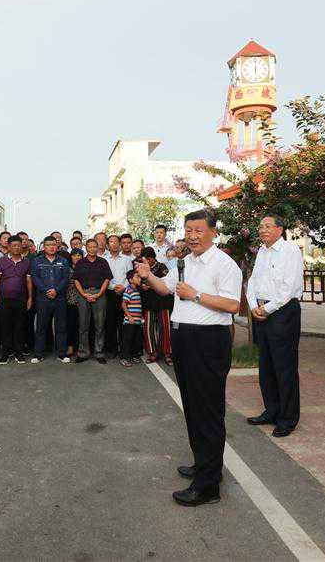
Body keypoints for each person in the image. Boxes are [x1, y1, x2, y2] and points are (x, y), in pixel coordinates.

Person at [135, 209, 243, 506]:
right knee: (193, 406)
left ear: (213, 233)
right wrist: (147, 277)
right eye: (188, 230)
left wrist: (196, 295)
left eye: (198, 230)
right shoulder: (184, 262)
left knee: (208, 409)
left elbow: (233, 305)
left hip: (208, 340)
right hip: (183, 338)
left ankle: (208, 486)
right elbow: (166, 289)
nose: (192, 236)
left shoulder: (225, 264)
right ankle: (204, 464)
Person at [245, 214, 304, 438]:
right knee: (266, 366)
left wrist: (266, 309)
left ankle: (287, 419)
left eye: (268, 226)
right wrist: (253, 306)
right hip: (261, 313)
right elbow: (253, 281)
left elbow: (288, 288)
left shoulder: (290, 251)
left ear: (280, 229)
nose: (262, 230)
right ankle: (271, 410)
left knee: (285, 367)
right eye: (260, 227)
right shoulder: (262, 250)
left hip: (283, 313)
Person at [30, 236, 72, 363]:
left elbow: (66, 278)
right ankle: (38, 354)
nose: (51, 247)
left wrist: (56, 290)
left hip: (59, 298)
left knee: (61, 327)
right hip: (43, 298)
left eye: (54, 244)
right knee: (41, 327)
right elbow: (35, 277)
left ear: (57, 246)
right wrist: (46, 290)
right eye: (48, 245)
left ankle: (62, 353)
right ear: (44, 247)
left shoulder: (63, 261)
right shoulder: (37, 261)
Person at [72, 239, 112, 364]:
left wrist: (99, 294)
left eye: (95, 246)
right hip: (83, 294)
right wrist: (83, 294)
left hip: (99, 293)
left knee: (99, 325)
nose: (93, 249)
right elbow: (76, 280)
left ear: (97, 248)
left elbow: (107, 279)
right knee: (83, 325)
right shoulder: (81, 263)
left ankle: (99, 353)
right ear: (86, 248)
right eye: (90, 247)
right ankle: (83, 353)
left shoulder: (103, 262)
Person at [0, 235, 32, 364]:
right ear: (9, 247)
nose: (16, 247)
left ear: (22, 246)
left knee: (19, 326)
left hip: (21, 299)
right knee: (5, 327)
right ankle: (5, 353)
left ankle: (19, 353)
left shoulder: (26, 261)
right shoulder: (2, 260)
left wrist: (30, 298)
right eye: (13, 245)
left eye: (18, 245)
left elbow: (28, 280)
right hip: (4, 299)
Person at [140, 247, 173, 365]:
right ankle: (152, 353)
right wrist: (141, 286)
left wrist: (152, 285)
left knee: (165, 327)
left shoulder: (162, 267)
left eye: (148, 259)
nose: (146, 261)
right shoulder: (141, 267)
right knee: (149, 328)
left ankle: (168, 354)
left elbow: (167, 282)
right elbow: (137, 281)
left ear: (153, 258)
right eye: (144, 259)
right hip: (148, 302)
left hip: (163, 301)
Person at [104, 235, 133, 359]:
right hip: (109, 293)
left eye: (116, 242)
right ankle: (112, 349)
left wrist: (124, 287)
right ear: (107, 245)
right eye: (111, 242)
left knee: (123, 322)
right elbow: (104, 276)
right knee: (110, 322)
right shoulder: (104, 259)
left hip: (124, 293)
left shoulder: (126, 259)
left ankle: (124, 349)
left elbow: (130, 276)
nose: (114, 244)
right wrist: (113, 286)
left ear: (119, 244)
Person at [121, 269, 145, 367]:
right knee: (127, 339)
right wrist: (129, 316)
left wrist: (140, 317)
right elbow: (123, 304)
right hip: (129, 321)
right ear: (131, 280)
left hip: (137, 321)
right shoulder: (129, 289)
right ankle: (124, 357)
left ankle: (134, 355)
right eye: (137, 277)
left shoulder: (137, 290)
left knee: (136, 339)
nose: (139, 279)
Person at [66, 248, 84, 358]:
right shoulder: (66, 268)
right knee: (70, 324)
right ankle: (70, 346)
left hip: (83, 300)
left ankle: (80, 347)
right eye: (74, 255)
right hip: (70, 300)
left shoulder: (85, 268)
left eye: (79, 255)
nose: (77, 257)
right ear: (70, 257)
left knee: (82, 325)